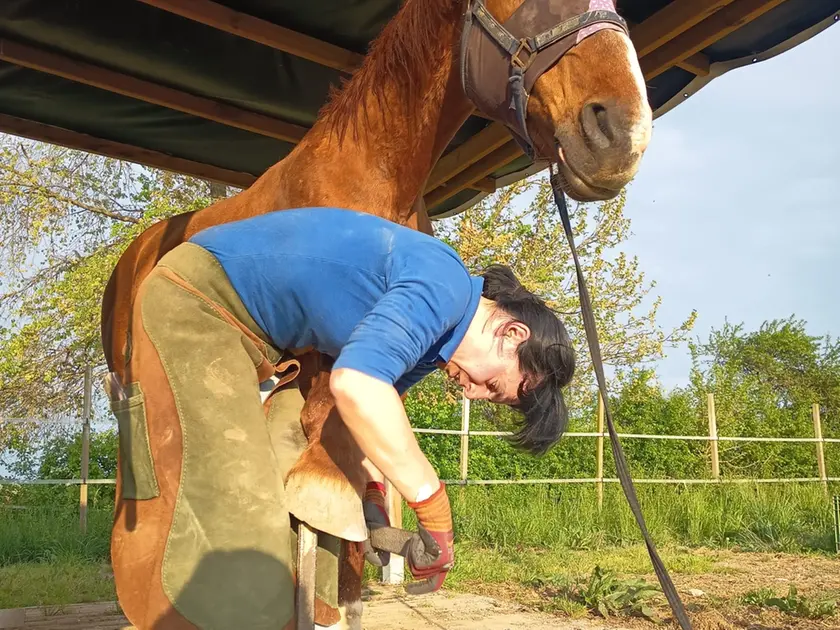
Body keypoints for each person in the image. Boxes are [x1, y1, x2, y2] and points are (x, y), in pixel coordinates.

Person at [109, 206, 574, 627]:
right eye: (492, 385)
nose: (472, 394)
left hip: (256, 342)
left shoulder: (433, 345)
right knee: (244, 511)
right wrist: (432, 505)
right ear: (512, 333)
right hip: (198, 307)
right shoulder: (444, 284)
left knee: (313, 485)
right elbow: (355, 384)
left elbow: (363, 417)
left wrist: (372, 505)